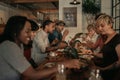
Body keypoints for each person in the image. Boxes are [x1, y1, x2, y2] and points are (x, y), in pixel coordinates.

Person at [0, 15, 81, 80]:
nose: (32, 34)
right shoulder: (8, 46)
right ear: (15, 32)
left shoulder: (19, 44)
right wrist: (64, 64)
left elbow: (25, 74)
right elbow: (33, 75)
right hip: (38, 61)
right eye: (27, 31)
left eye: (31, 31)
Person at [91, 13, 120, 80]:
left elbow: (119, 62)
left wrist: (103, 69)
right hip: (105, 72)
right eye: (98, 26)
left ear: (110, 25)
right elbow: (106, 55)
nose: (100, 28)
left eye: (102, 26)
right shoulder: (107, 38)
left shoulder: (117, 38)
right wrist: (93, 54)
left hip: (113, 75)